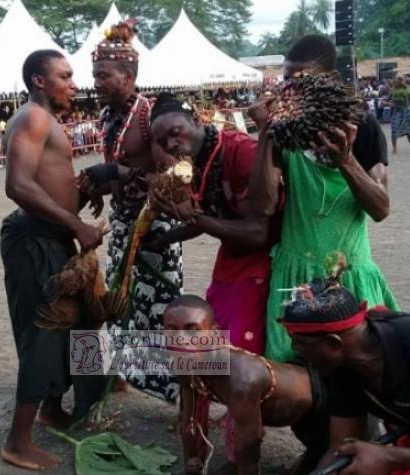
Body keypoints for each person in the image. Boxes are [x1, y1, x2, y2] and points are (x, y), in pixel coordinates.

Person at [249, 34, 398, 363]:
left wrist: (345, 161)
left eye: (299, 79)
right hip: (294, 276)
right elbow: (261, 205)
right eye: (286, 79)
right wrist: (265, 134)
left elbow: (381, 209)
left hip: (350, 276)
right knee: (295, 373)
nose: (288, 88)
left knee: (358, 370)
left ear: (329, 80)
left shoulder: (363, 128)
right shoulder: (284, 131)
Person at [147, 93, 277, 467]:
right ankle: (195, 443)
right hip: (230, 264)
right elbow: (205, 215)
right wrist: (162, 238)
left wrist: (193, 219)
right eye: (162, 141)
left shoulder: (240, 151)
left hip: (261, 263)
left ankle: (238, 456)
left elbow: (255, 232)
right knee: (198, 350)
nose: (171, 144)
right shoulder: (197, 160)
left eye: (174, 132)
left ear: (197, 120)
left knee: (234, 357)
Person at [0, 49, 105, 471]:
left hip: (54, 236)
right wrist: (76, 225)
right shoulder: (33, 118)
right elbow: (18, 186)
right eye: (65, 76)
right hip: (34, 240)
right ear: (39, 81)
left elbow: (49, 183)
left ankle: (51, 408)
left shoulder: (47, 121)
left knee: (78, 325)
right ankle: (16, 441)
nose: (73, 82)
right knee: (44, 332)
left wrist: (92, 187)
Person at [78, 20, 181, 401]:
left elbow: (171, 181)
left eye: (103, 76)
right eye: (94, 76)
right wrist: (99, 186)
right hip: (122, 222)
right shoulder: (108, 117)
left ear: (129, 75)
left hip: (156, 228)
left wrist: (117, 173)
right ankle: (119, 373)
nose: (96, 83)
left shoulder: (151, 117)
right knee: (119, 299)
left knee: (163, 306)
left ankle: (183, 391)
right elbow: (116, 170)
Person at [164, 296, 329, 475]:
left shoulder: (240, 379)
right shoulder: (184, 363)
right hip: (295, 393)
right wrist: (192, 463)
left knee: (323, 461)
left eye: (192, 330)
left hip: (321, 402)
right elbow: (190, 421)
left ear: (214, 333)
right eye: (172, 331)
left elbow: (248, 449)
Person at [282, 275, 410, 475]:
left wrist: (390, 457)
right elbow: (340, 446)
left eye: (300, 343)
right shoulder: (338, 367)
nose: (294, 350)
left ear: (333, 343)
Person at [389, 76, 410, 153]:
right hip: (396, 113)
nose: (397, 82)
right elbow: (388, 99)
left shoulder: (406, 90)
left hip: (405, 113)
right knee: (394, 130)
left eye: (399, 81)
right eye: (397, 81)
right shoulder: (393, 90)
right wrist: (385, 102)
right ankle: (394, 148)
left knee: (407, 131)